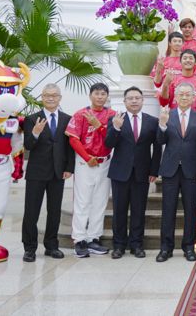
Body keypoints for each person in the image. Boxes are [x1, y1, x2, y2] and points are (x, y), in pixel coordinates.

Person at [105, 87, 162, 259]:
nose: (134, 101)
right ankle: (119, 245)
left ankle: (137, 245)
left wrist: (154, 170)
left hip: (142, 173)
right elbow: (109, 144)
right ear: (124, 101)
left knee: (139, 210)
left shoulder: (152, 121)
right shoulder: (115, 119)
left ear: (143, 100)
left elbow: (158, 147)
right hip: (120, 173)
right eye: (130, 98)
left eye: (137, 98)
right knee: (119, 211)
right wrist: (115, 128)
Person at [156, 83, 196, 262]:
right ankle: (166, 248)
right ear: (175, 97)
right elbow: (159, 141)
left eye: (188, 94)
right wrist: (162, 125)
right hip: (170, 169)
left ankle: (188, 247)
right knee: (168, 209)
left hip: (191, 170)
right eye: (181, 94)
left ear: (194, 98)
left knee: (190, 210)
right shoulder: (166, 116)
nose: (185, 97)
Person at [21, 83, 74, 262]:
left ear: (60, 98)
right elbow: (28, 145)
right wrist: (35, 133)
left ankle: (51, 246)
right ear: (42, 98)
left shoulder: (68, 119)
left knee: (54, 211)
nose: (50, 98)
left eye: (54, 95)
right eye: (46, 95)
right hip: (36, 172)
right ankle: (29, 248)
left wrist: (69, 168)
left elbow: (70, 147)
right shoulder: (31, 119)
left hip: (58, 172)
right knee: (31, 211)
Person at [65, 83, 115, 258]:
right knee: (82, 201)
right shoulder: (80, 114)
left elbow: (111, 139)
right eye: (97, 93)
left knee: (100, 202)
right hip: (85, 162)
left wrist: (99, 125)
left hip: (105, 162)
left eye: (103, 94)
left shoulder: (112, 115)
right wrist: (87, 158)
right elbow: (73, 139)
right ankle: (79, 239)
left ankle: (94, 238)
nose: (100, 97)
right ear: (90, 95)